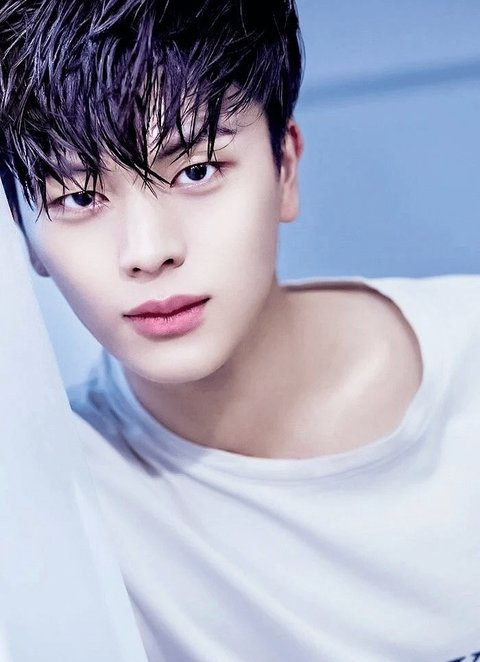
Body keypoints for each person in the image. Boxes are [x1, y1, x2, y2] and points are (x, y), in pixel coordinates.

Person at [1, 1, 479, 660]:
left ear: (285, 169)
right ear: (24, 240)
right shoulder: (58, 504)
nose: (148, 251)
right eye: (80, 197)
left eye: (197, 170)